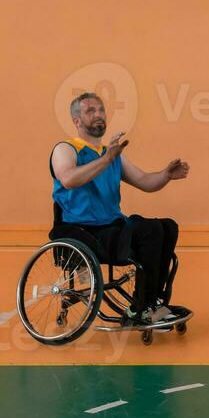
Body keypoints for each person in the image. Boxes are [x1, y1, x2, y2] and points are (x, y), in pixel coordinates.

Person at [50, 92, 193, 324]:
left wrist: (166, 175)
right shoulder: (65, 149)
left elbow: (145, 181)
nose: (99, 115)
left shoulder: (112, 154)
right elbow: (68, 179)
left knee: (167, 226)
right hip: (83, 231)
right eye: (90, 111)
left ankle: (152, 302)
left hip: (112, 227)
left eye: (101, 110)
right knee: (150, 230)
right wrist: (106, 160)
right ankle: (140, 309)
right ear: (77, 121)